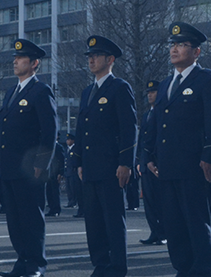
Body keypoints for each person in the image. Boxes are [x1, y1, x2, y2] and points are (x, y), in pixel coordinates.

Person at [141, 23, 211, 277]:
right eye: (173, 45)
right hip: (166, 168)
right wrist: (148, 156)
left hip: (194, 167)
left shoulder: (208, 80)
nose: (175, 49)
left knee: (196, 223)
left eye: (181, 45)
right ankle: (183, 269)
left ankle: (201, 271)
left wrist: (210, 158)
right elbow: (155, 125)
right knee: (173, 225)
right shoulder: (167, 83)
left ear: (196, 52)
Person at [69, 35, 136, 277]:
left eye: (96, 56)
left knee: (112, 220)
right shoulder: (88, 91)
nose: (91, 60)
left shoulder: (119, 87)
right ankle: (101, 265)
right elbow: (81, 131)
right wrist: (77, 161)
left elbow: (129, 128)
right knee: (94, 221)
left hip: (110, 166)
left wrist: (125, 162)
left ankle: (116, 267)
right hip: (90, 166)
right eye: (89, 56)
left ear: (110, 59)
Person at [0, 39, 58, 277]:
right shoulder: (12, 92)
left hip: (29, 169)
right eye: (15, 58)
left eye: (21, 58)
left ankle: (36, 265)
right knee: (15, 220)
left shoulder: (41, 91)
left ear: (34, 64)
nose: (15, 61)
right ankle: (22, 261)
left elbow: (49, 130)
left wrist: (41, 163)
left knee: (32, 219)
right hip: (9, 167)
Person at [137, 80, 166, 246]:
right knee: (148, 201)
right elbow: (142, 139)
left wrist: (151, 159)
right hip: (145, 163)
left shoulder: (161, 112)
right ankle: (154, 231)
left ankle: (163, 232)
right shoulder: (147, 114)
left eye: (153, 92)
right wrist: (140, 160)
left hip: (156, 164)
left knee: (159, 200)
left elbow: (158, 139)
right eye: (148, 92)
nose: (150, 95)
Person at [45, 138, 66, 217]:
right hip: (48, 173)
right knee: (49, 192)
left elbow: (61, 160)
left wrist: (61, 172)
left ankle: (56, 209)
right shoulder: (48, 146)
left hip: (55, 173)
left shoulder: (58, 147)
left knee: (55, 193)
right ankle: (51, 208)